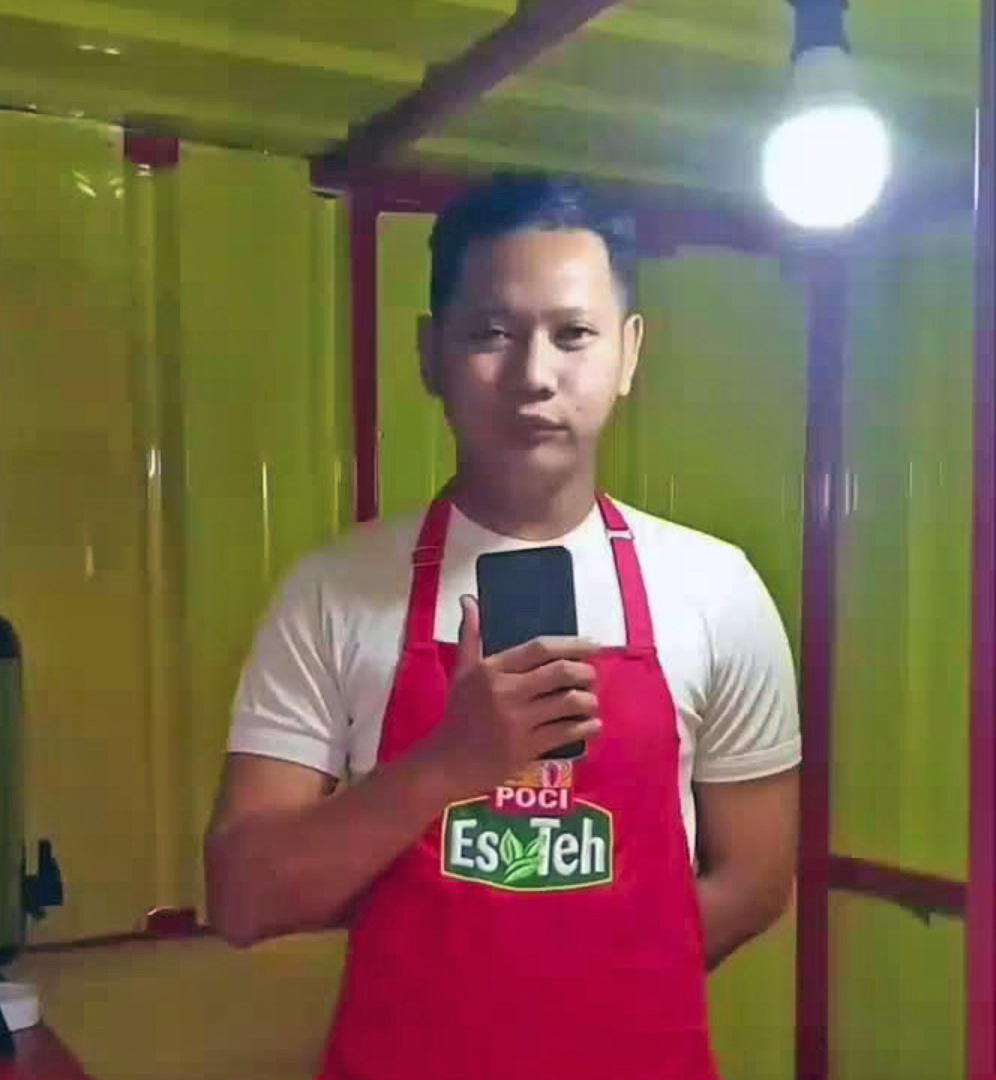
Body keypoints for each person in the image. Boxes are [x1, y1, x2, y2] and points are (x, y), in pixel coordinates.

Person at [205, 173, 800, 1080]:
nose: (533, 376)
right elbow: (244, 897)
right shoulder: (333, 592)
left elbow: (755, 881)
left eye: (574, 334)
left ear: (629, 353)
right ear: (430, 354)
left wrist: (580, 1002)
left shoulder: (716, 589)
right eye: (491, 333)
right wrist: (449, 764)